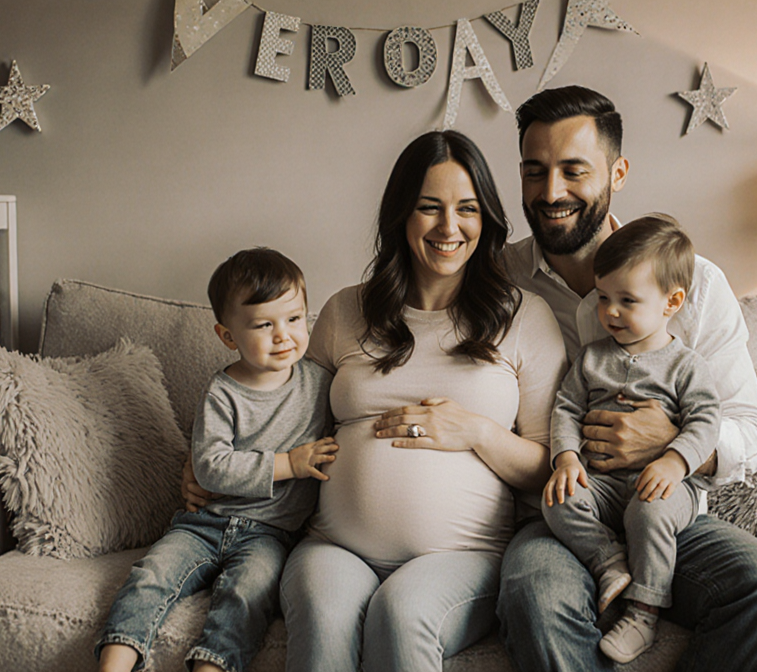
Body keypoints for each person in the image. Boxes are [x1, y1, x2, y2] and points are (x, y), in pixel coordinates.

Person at [497, 86, 757, 671]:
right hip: (568, 510)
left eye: (574, 170)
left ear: (618, 172)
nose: (551, 192)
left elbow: (750, 429)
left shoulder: (695, 285)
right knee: (535, 594)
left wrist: (672, 447)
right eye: (534, 171)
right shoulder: (498, 283)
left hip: (667, 504)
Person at [278, 130, 567, 672]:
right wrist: (216, 466)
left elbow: (547, 466)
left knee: (402, 613)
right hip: (336, 548)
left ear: (487, 219)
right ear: (401, 217)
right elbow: (286, 422)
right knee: (323, 614)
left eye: (467, 209)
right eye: (428, 208)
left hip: (463, 558)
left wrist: (477, 432)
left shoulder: (524, 316)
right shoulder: (345, 311)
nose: (448, 227)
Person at [96, 248, 336, 672]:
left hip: (270, 534)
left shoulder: (321, 384)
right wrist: (290, 464)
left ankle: (212, 666)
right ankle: (114, 662)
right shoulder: (222, 391)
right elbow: (210, 466)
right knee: (149, 576)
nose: (284, 335)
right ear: (228, 336)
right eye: (264, 325)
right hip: (203, 524)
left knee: (247, 593)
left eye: (295, 319)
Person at [543, 215, 720, 664]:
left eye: (627, 301)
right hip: (602, 483)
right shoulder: (592, 358)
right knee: (557, 501)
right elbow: (566, 407)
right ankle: (610, 562)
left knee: (650, 510)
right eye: (603, 298)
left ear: (671, 302)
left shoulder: (686, 366)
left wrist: (675, 462)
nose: (611, 313)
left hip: (662, 486)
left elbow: (706, 421)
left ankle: (643, 613)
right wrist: (566, 459)